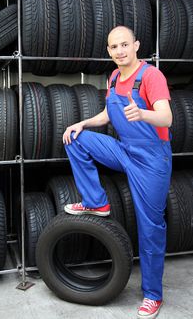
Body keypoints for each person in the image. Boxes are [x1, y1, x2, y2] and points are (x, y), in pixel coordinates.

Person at [62, 25, 172, 319]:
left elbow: (166, 116)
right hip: (125, 151)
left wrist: (143, 113)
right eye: (114, 47)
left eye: (125, 45)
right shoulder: (113, 77)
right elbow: (109, 113)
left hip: (151, 160)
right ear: (109, 51)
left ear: (136, 45)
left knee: (151, 228)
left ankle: (152, 295)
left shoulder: (151, 76)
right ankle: (97, 202)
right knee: (75, 138)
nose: (120, 51)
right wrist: (83, 123)